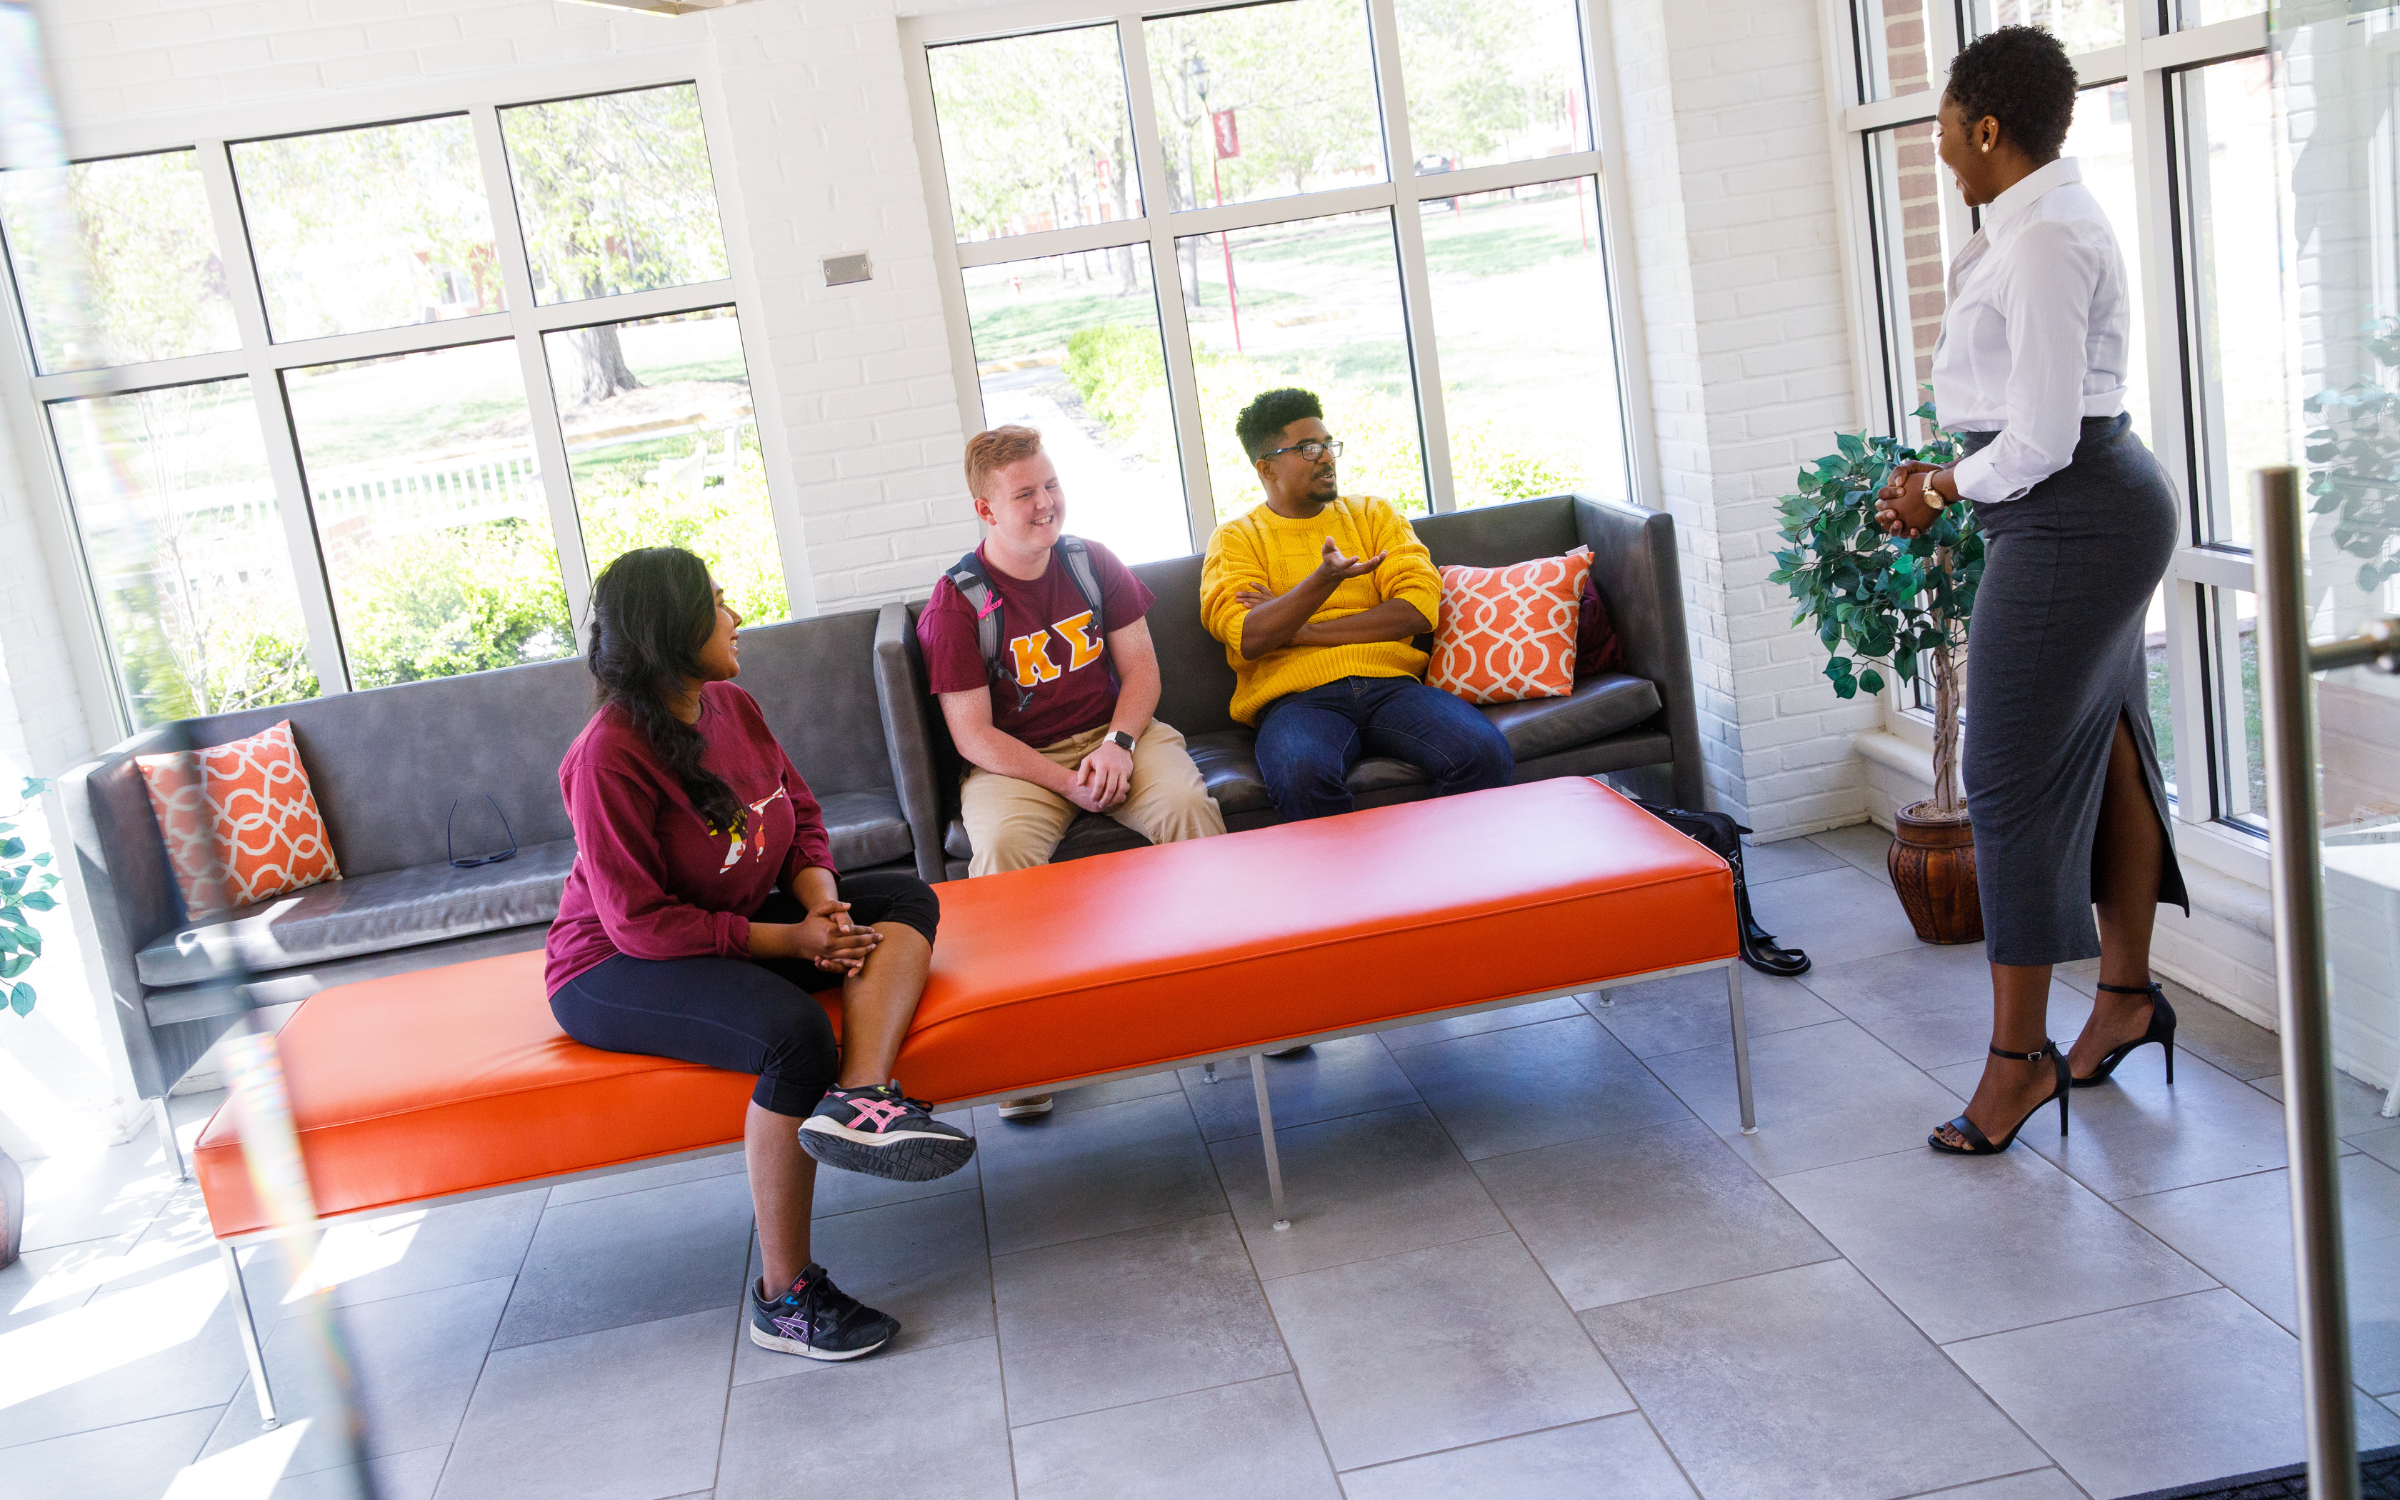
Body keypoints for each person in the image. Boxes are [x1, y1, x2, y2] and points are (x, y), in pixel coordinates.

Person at [1874, 26, 2189, 1156]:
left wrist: (1941, 489)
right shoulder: (2026, 223)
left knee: (2000, 774)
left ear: (1989, 128)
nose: (1940, 147)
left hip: (2072, 513)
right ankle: (2126, 998)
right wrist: (1948, 479)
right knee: (2102, 742)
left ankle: (2020, 1063)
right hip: (2072, 508)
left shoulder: (2047, 235)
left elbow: (2046, 434)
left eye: (1947, 127)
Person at [547, 546, 973, 1362]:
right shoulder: (604, 757)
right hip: (613, 965)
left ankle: (864, 1101)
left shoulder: (731, 706)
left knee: (904, 898)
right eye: (716, 604)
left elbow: (798, 815)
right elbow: (637, 922)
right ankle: (784, 1299)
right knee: (793, 1035)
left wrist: (822, 902)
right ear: (672, 630)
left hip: (727, 918)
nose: (735, 616)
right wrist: (791, 941)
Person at [918, 424, 1226, 1116]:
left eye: (1051, 485)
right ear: (986, 509)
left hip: (1115, 735)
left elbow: (1142, 669)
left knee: (1184, 802)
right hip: (1020, 762)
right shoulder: (957, 603)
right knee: (998, 850)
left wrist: (1117, 744)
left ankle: (1230, 999)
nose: (1047, 504)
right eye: (1025, 494)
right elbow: (972, 735)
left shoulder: (1092, 562)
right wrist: (1067, 782)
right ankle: (1020, 1055)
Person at [1200, 387, 1513, 821]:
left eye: (1328, 445)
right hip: (1297, 700)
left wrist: (1299, 627)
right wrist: (1322, 581)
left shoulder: (1374, 514)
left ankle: (1436, 877)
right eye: (1309, 448)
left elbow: (1419, 608)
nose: (1327, 457)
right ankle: (1354, 888)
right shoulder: (1237, 538)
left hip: (1393, 686)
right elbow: (1249, 635)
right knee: (1300, 775)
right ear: (1266, 466)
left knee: (1484, 753)